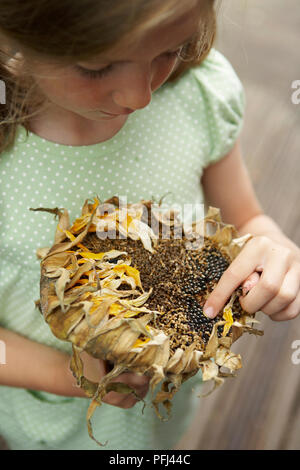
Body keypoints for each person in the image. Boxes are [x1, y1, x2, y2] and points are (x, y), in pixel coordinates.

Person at [0, 0, 299, 451]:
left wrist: (273, 248)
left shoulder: (195, 93)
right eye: (96, 67)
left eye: (171, 50)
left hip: (164, 414)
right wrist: (75, 376)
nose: (140, 96)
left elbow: (248, 218)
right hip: (44, 424)